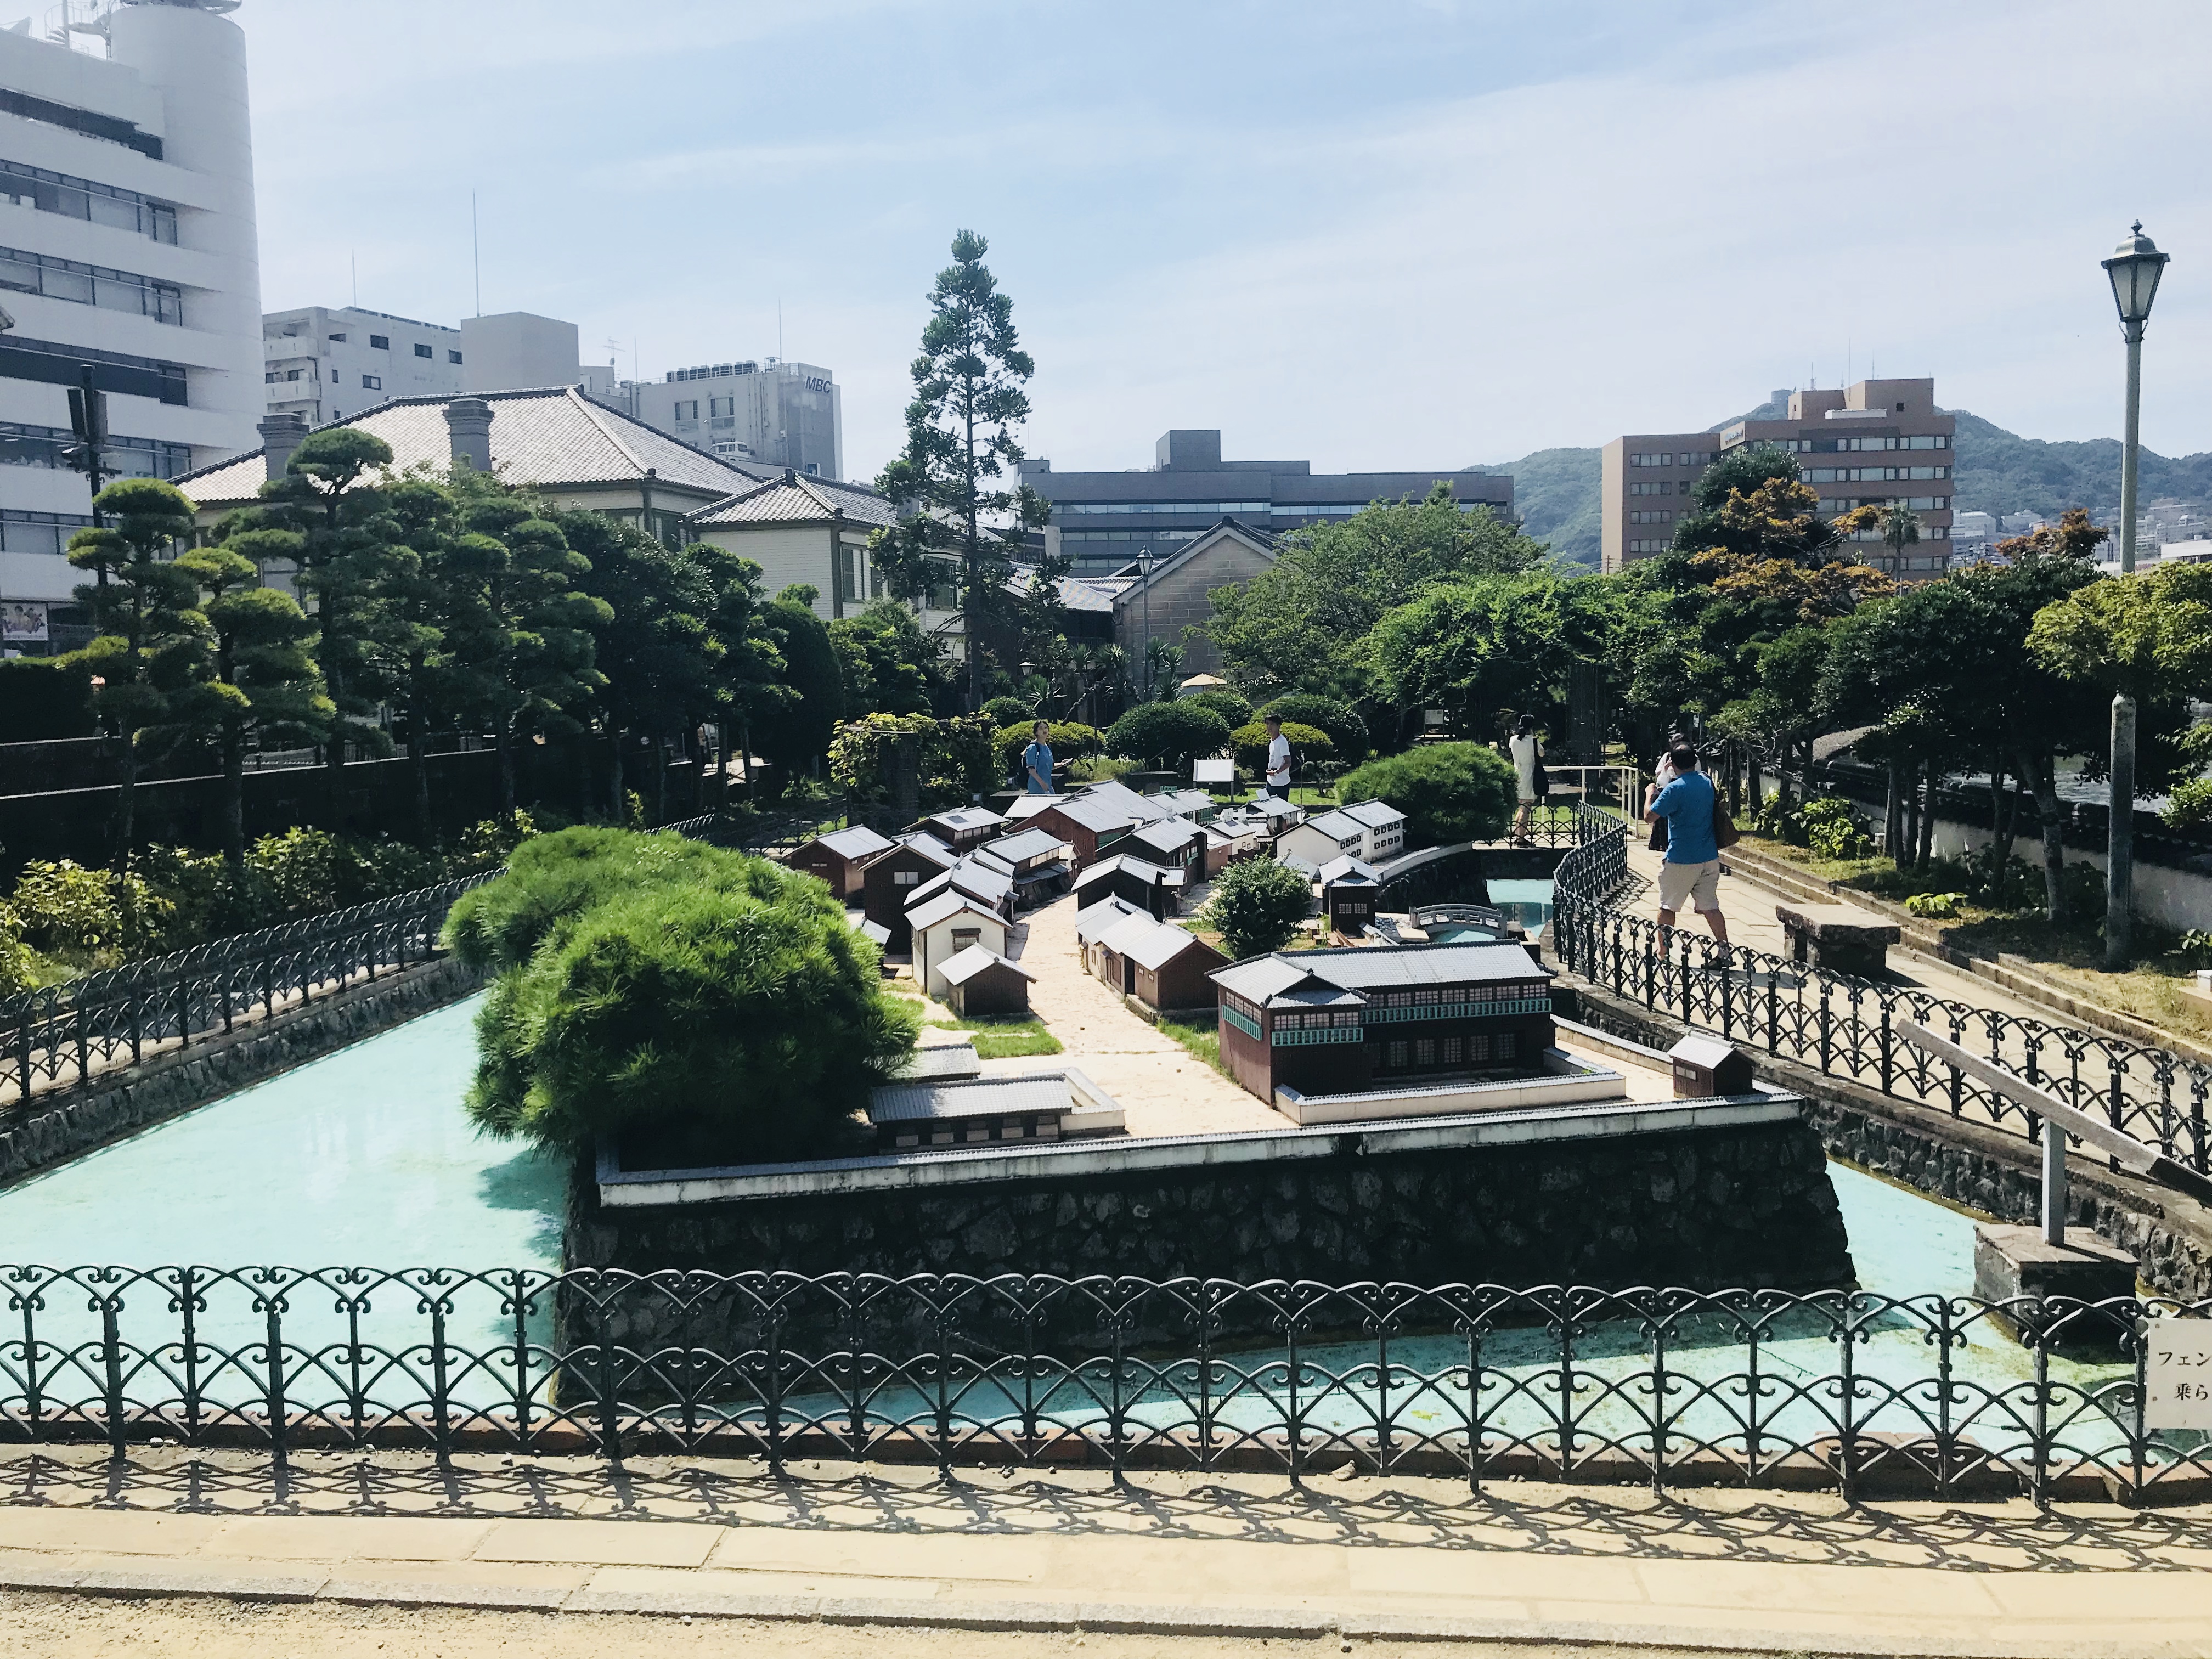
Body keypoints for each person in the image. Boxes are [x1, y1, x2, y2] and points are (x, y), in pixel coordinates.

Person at [1644, 743, 1728, 941]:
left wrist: (1650, 793)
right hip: (1709, 856)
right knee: (1711, 908)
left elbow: (1649, 816)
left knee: (1668, 907)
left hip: (1681, 858)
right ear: (1695, 761)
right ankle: (1724, 950)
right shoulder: (1706, 782)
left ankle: (1662, 952)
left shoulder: (1674, 789)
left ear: (1672, 764)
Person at [1509, 715, 1541, 845]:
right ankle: (1521, 838)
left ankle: (1518, 834)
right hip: (1529, 775)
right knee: (1526, 807)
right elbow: (1542, 753)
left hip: (1517, 773)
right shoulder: (1533, 741)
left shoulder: (1513, 740)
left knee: (1521, 806)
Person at [1022, 720, 1055, 794]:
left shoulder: (1047, 746)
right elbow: (1031, 770)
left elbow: (1050, 766)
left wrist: (1062, 764)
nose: (1044, 730)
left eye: (1046, 728)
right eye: (1041, 728)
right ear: (1036, 732)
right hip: (1037, 787)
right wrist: (1042, 784)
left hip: (1048, 786)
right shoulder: (1033, 747)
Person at [1263, 715, 1292, 794]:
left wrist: (1276, 772)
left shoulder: (1282, 742)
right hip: (1271, 782)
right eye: (1267, 724)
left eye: (1272, 724)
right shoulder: (1272, 741)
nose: (1269, 727)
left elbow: (1288, 762)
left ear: (1278, 726)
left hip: (1281, 784)